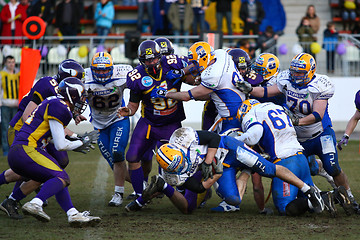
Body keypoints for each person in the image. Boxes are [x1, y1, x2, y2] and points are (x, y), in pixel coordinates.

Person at [236, 52, 360, 215]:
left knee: (333, 167)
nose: (296, 75)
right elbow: (267, 92)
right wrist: (251, 89)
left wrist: (296, 121)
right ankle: (321, 197)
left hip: (320, 133)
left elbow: (318, 115)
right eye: (294, 71)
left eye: (300, 72)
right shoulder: (286, 80)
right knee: (305, 170)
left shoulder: (320, 85)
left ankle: (350, 198)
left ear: (310, 71)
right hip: (298, 137)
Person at [125, 127, 324, 214]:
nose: (182, 168)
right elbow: (198, 186)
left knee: (269, 169)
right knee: (233, 200)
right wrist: (217, 174)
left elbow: (212, 138)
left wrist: (209, 160)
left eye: (181, 163)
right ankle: (246, 171)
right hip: (220, 167)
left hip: (228, 149)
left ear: (181, 150)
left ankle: (307, 189)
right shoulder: (172, 174)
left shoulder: (183, 137)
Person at [8, 77, 101, 226]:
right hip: (26, 149)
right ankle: (35, 203)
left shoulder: (54, 102)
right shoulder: (60, 106)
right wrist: (81, 142)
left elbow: (52, 138)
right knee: (62, 177)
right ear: (73, 95)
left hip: (20, 151)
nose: (83, 101)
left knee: (56, 175)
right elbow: (59, 145)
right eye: (81, 96)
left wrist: (77, 141)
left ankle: (72, 214)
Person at [0, 59, 86, 219]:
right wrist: (74, 137)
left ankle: (23, 199)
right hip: (22, 131)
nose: (79, 84)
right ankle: (15, 200)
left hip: (36, 135)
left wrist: (72, 120)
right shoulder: (47, 84)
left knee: (59, 163)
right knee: (28, 170)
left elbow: (54, 118)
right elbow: (28, 116)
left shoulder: (60, 96)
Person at [117, 40, 191, 210]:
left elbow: (194, 66)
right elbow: (133, 105)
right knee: (132, 156)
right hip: (149, 122)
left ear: (160, 56)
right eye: (147, 60)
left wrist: (182, 72)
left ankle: (177, 191)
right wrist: (127, 111)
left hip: (171, 123)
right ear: (141, 60)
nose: (151, 63)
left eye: (154, 59)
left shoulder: (173, 63)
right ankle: (140, 194)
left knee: (171, 162)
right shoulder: (136, 76)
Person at [236, 99, 339, 216]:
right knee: (306, 199)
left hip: (285, 163)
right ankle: (336, 195)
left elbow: (253, 137)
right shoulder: (276, 107)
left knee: (284, 207)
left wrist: (236, 140)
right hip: (301, 158)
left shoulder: (251, 114)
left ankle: (324, 199)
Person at [161, 41, 247, 134]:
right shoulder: (220, 54)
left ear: (204, 58)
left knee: (212, 144)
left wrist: (166, 94)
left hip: (231, 118)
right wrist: (182, 72)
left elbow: (187, 96)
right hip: (239, 109)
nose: (194, 65)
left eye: (194, 62)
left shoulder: (212, 75)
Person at [84, 52, 133, 207]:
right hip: (99, 125)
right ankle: (142, 184)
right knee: (113, 161)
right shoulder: (84, 78)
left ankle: (118, 193)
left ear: (112, 68)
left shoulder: (123, 74)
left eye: (105, 70)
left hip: (118, 118)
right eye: (98, 70)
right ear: (92, 69)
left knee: (117, 152)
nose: (102, 73)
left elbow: (139, 87)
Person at [0, 55, 19, 156]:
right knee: (5, 128)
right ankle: (6, 150)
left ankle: (14, 149)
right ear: (5, 63)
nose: (11, 64)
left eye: (13, 62)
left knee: (16, 129)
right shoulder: (2, 74)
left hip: (16, 105)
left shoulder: (19, 74)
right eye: (9, 62)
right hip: (6, 105)